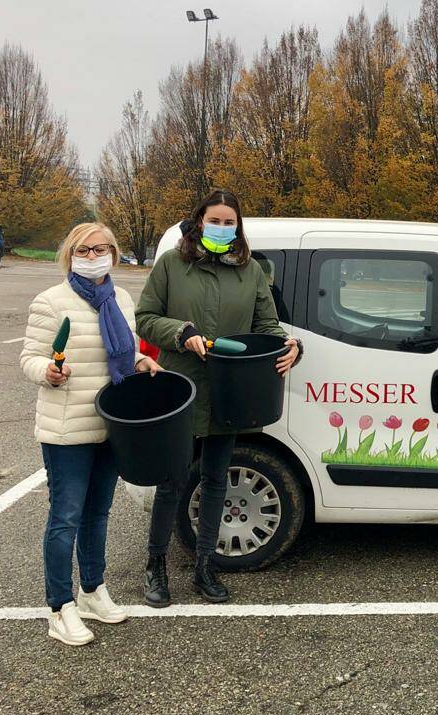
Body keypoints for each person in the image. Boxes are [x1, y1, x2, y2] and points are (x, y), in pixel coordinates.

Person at [136, 189, 302, 606]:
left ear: (238, 228)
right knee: (173, 482)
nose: (223, 228)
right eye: (216, 220)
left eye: (230, 223)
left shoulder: (250, 271)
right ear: (198, 221)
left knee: (215, 481)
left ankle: (204, 565)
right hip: (183, 387)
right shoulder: (173, 265)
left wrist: (293, 346)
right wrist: (181, 333)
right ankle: (155, 565)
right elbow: (145, 318)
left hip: (232, 392)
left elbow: (267, 324)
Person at [20, 223, 162, 646]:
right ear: (70, 254)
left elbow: (121, 348)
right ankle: (59, 607)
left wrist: (140, 361)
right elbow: (29, 357)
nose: (94, 254)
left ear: (114, 254)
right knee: (65, 518)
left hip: (110, 424)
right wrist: (46, 371)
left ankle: (92, 591)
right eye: (85, 249)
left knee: (98, 515)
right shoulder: (51, 302)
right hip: (66, 428)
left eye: (102, 248)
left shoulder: (119, 298)